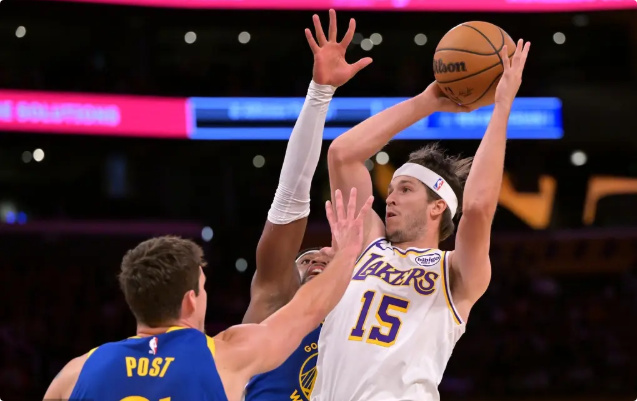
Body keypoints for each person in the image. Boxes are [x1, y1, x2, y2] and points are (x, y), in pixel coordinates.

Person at [311, 40, 531, 401]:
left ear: (437, 206)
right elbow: (342, 155)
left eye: (406, 189)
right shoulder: (365, 245)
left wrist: (503, 105)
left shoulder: (456, 272)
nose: (390, 198)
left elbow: (477, 207)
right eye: (391, 190)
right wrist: (428, 101)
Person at [42, 187, 374, 401]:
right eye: (202, 287)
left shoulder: (76, 372)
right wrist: (348, 252)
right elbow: (307, 309)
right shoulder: (224, 357)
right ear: (190, 299)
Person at [243, 9, 370, 401]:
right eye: (306, 259)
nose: (315, 259)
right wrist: (319, 94)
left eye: (326, 260)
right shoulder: (275, 302)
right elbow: (290, 198)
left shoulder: (363, 322)